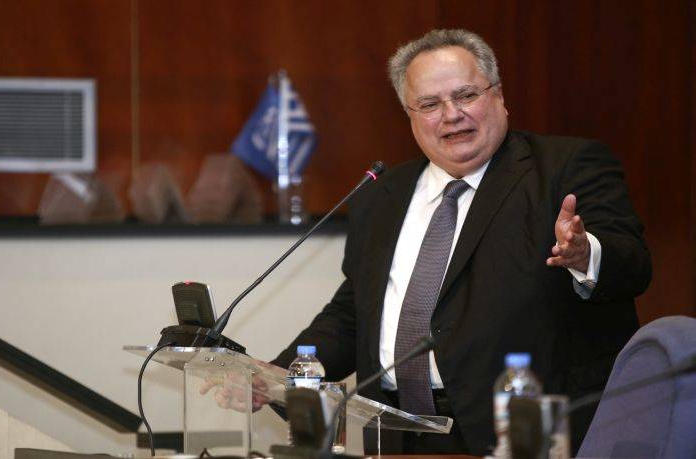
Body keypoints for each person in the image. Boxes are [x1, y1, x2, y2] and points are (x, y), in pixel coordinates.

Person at [272, 29, 651, 456]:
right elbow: (354, 314)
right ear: (409, 115)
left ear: (499, 96)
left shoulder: (566, 167)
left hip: (523, 433)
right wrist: (275, 376)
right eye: (430, 104)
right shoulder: (381, 195)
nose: (451, 115)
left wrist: (585, 254)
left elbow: (633, 265)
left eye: (466, 95)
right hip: (398, 433)